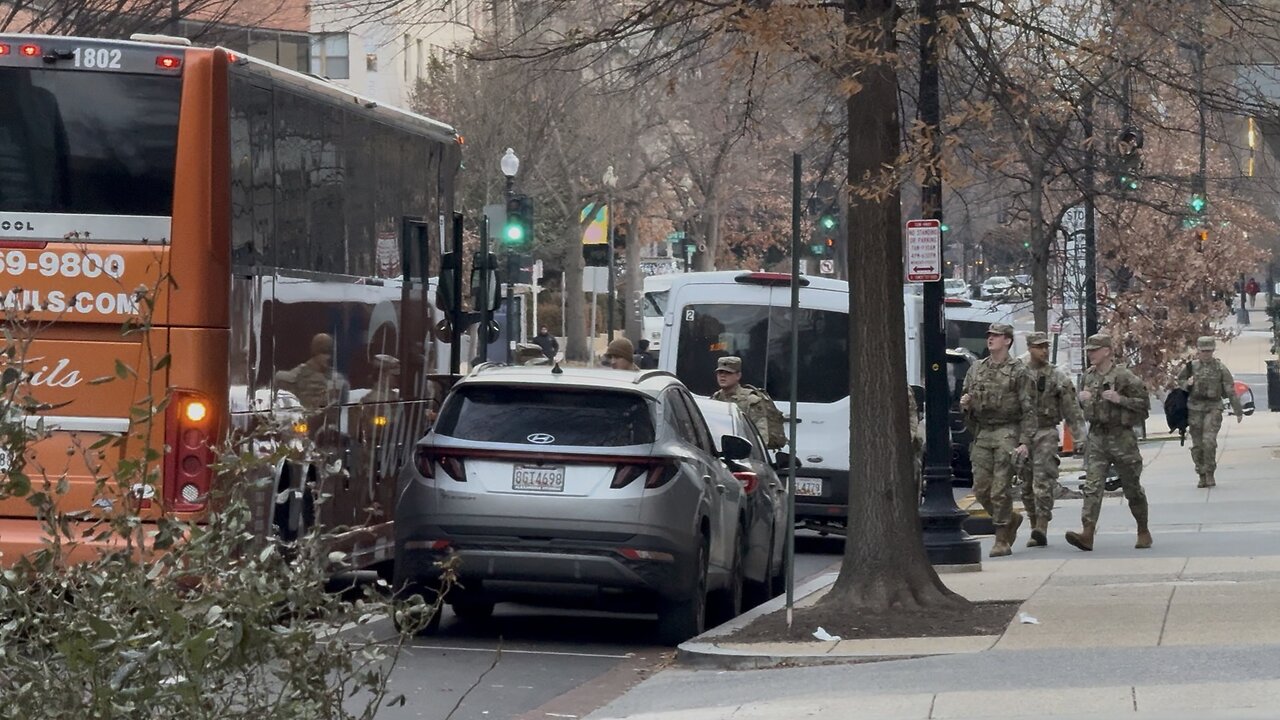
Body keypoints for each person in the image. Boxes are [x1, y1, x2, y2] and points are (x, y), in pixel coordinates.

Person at [1066, 333, 1152, 551]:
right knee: (1093, 486)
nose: (1090, 354)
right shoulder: (1088, 376)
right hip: (1098, 437)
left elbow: (1144, 406)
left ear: (1107, 351)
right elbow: (1084, 408)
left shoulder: (1124, 375)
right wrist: (1081, 399)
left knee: (1132, 488)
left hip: (1121, 438)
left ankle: (1143, 529)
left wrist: (1119, 399)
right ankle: (1087, 532)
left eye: (1094, 350)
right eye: (1088, 351)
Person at [959, 322, 1035, 558]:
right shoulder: (977, 369)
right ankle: (1010, 519)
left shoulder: (1018, 371)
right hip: (983, 433)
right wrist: (966, 404)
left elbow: (1029, 410)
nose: (990, 339)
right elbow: (967, 397)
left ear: (1008, 340)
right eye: (989, 336)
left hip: (1007, 432)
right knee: (981, 489)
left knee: (1000, 489)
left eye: (996, 336)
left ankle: (1002, 538)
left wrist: (1025, 442)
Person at [1020, 331, 1086, 547]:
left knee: (1043, 480)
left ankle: (1041, 526)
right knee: (1026, 484)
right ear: (1030, 348)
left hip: (1046, 431)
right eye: (1039, 347)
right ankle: (1033, 524)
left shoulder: (1057, 376)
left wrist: (1079, 437)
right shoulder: (1019, 373)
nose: (1044, 350)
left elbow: (1072, 409)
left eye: (1046, 346)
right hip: (1022, 435)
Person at [1175, 335, 1243, 488]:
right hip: (1195, 407)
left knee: (1209, 441)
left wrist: (1238, 410)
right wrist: (1188, 383)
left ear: (1213, 351)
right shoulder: (1191, 367)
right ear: (1198, 351)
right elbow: (1179, 381)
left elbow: (1230, 390)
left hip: (1213, 407)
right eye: (1203, 351)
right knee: (1197, 444)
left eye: (1209, 351)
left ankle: (1210, 471)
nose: (1206, 354)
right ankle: (1201, 473)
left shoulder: (1220, 368)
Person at [711, 356, 787, 450]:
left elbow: (761, 437)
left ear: (738, 375)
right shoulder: (715, 398)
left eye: (728, 373)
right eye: (720, 373)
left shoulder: (751, 400)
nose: (723, 376)